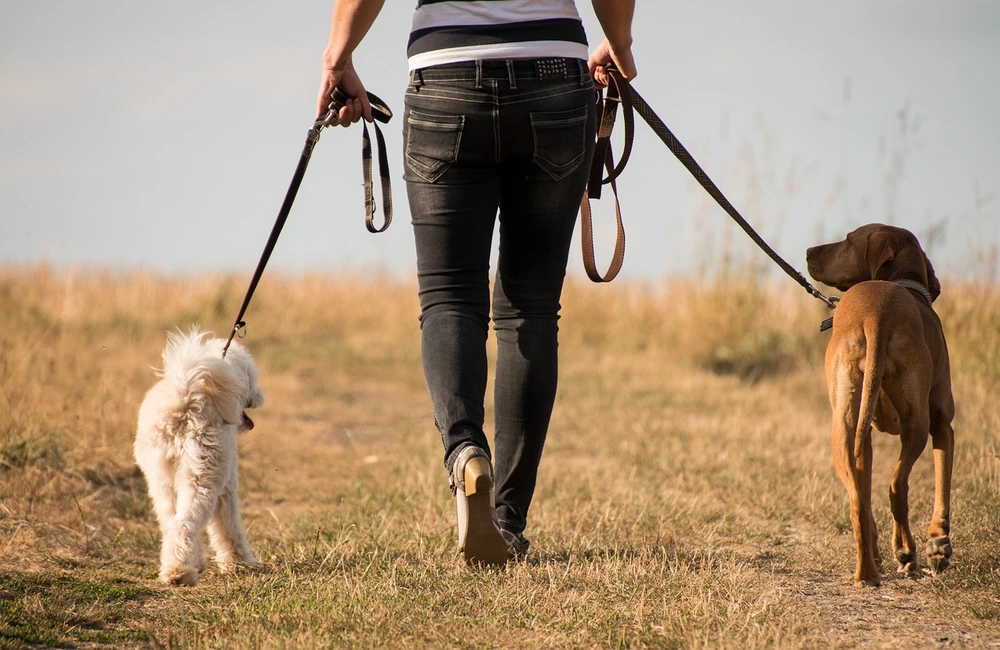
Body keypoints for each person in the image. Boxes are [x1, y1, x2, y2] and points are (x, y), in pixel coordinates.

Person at [317, 0, 637, 566]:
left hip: (446, 77)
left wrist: (337, 57)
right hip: (554, 77)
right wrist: (620, 40)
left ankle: (466, 451)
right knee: (530, 307)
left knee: (450, 296)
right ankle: (507, 522)